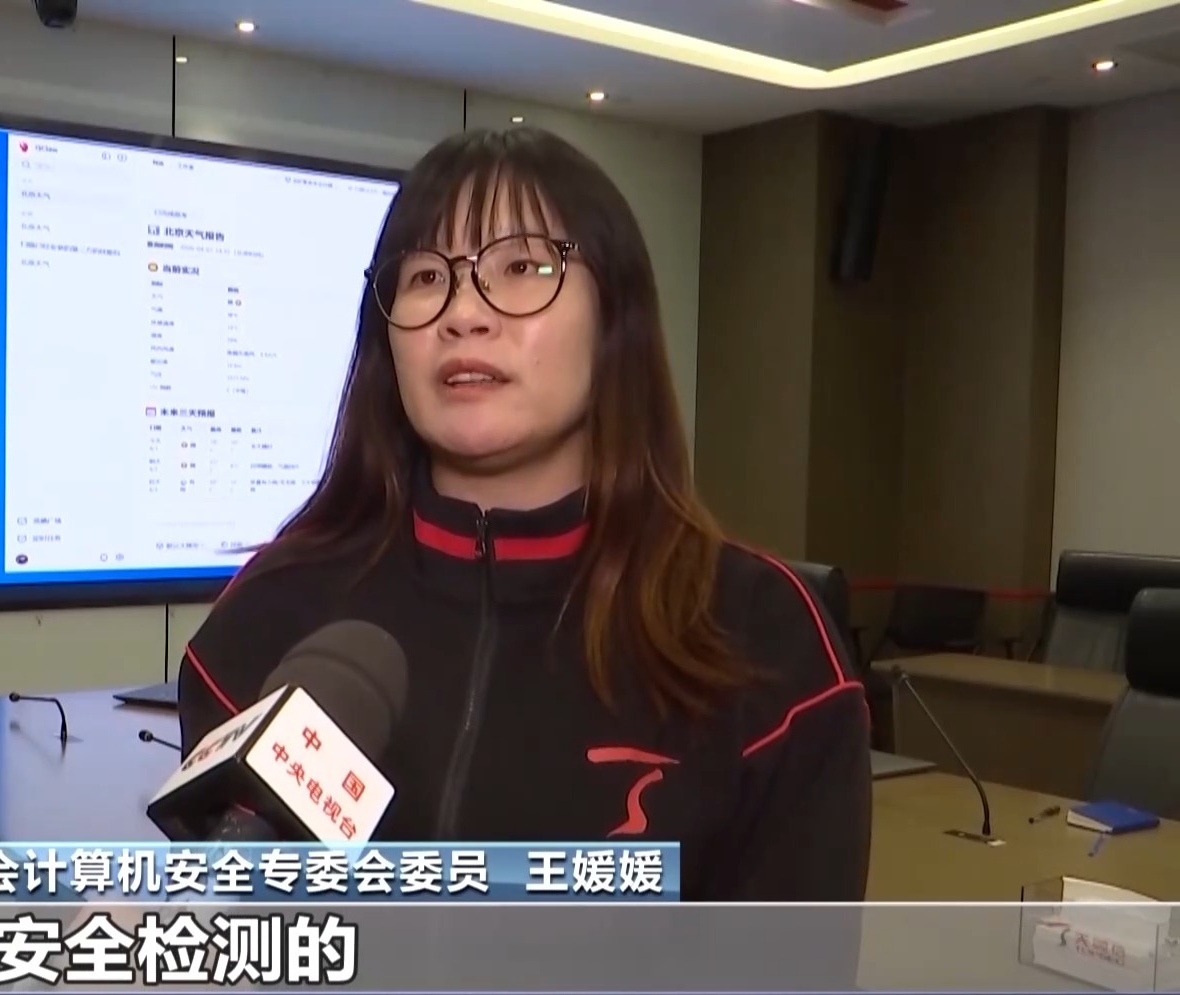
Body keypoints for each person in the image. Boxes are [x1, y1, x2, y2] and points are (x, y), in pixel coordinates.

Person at [177, 127, 871, 901]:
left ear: (616, 319)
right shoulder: (270, 611)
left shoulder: (767, 641)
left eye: (522, 267)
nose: (464, 313)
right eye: (426, 275)